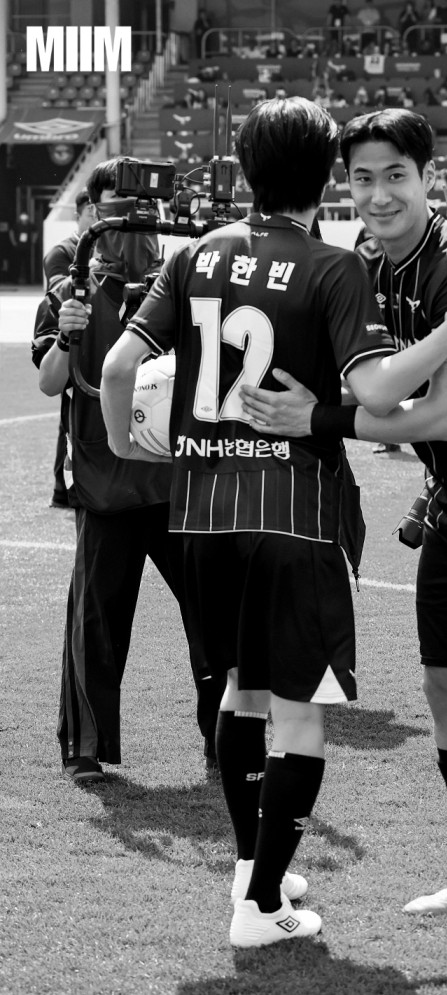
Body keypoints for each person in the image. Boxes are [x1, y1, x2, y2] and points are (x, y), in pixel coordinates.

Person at [100, 98, 447, 947]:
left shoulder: (196, 253)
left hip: (202, 518)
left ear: (245, 169)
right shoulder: (332, 266)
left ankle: (254, 870)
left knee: (239, 692)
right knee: (301, 715)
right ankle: (261, 909)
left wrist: (127, 443)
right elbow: (379, 389)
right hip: (295, 516)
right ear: (326, 176)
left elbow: (120, 364)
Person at [240, 108, 447, 938]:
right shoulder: (361, 263)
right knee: (441, 690)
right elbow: (363, 383)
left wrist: (318, 419)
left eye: (396, 175)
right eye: (362, 177)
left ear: (431, 178)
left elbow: (441, 415)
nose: (379, 194)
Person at [31, 157, 225, 783]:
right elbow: (49, 382)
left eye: (146, 209)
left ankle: (224, 735)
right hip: (105, 484)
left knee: (212, 615)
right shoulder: (70, 294)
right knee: (98, 621)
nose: (136, 224)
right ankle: (85, 746)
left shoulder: (180, 287)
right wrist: (67, 335)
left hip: (176, 483)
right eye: (121, 207)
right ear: (95, 213)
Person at [42, 189, 93, 509]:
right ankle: (62, 488)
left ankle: (65, 490)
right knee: (70, 416)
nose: (96, 217)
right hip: (69, 340)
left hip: (92, 338)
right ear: (78, 215)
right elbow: (61, 294)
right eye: (91, 212)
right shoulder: (62, 252)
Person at [9, 211, 36, 284]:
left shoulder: (30, 225)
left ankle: (29, 280)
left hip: (27, 247)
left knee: (28, 264)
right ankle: (15, 280)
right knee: (17, 263)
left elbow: (35, 232)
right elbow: (11, 232)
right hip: (18, 247)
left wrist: (33, 241)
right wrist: (13, 242)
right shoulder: (17, 225)